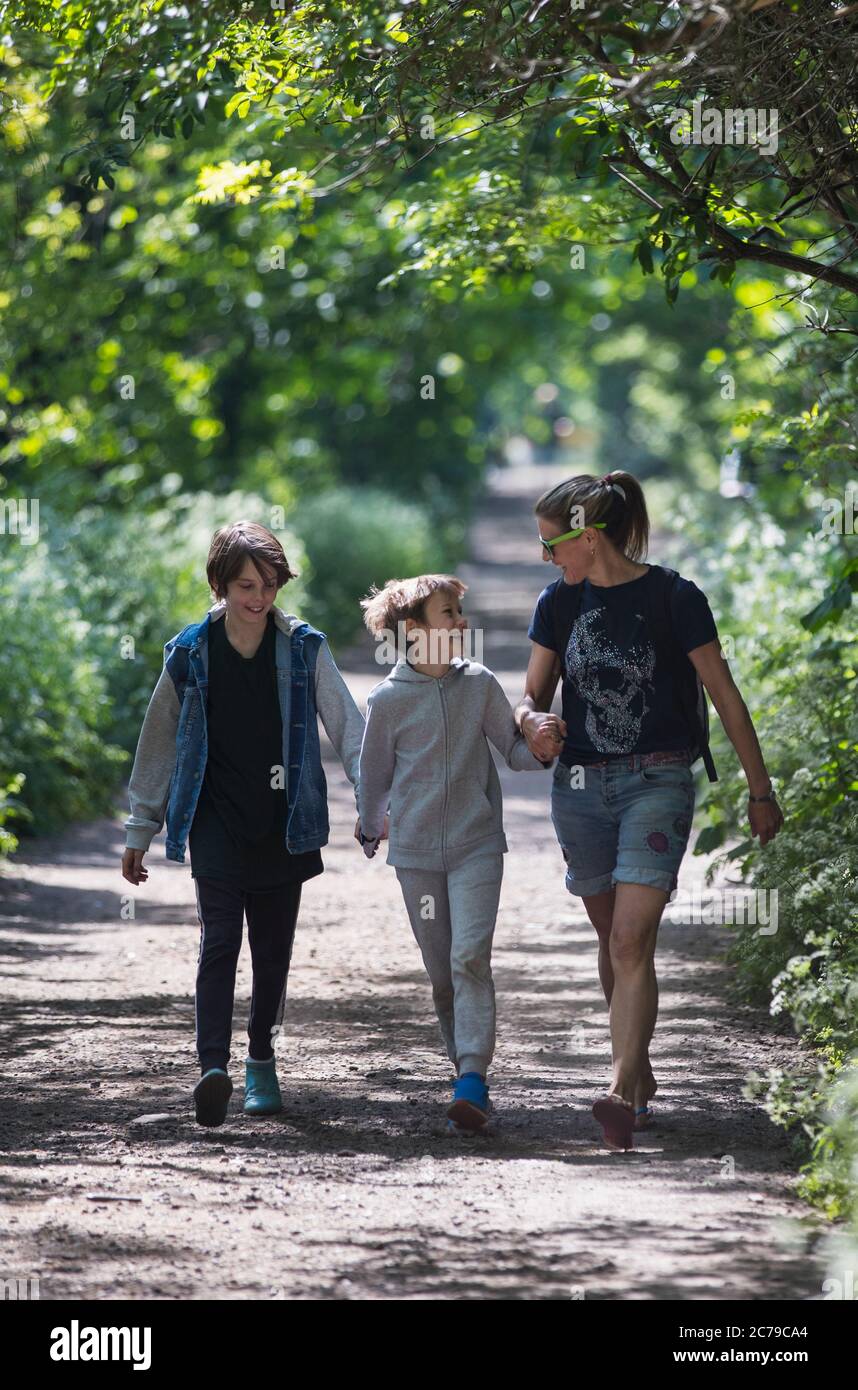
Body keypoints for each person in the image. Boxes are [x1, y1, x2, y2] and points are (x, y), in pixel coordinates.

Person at [514, 472, 784, 1150]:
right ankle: (637, 1071)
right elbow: (531, 697)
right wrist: (531, 723)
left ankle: (619, 1090)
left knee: (632, 939)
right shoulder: (557, 604)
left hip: (657, 780)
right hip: (580, 790)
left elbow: (723, 694)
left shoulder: (674, 597)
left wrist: (760, 791)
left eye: (553, 545)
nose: (547, 558)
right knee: (614, 941)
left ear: (590, 537)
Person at [121, 520, 365, 1127]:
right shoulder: (189, 655)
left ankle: (261, 1061)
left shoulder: (305, 648)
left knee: (273, 950)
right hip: (216, 819)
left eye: (269, 585)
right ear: (219, 586)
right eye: (245, 586)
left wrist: (373, 801)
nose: (258, 598)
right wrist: (140, 826)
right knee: (220, 940)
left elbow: (348, 726)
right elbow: (158, 744)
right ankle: (213, 1068)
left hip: (285, 821)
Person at [356, 574, 551, 1133]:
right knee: (442, 972)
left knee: (470, 957)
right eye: (450, 613)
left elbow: (512, 752)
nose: (462, 623)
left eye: (460, 612)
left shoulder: (479, 685)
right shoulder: (387, 700)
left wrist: (540, 748)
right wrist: (372, 826)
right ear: (414, 631)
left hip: (477, 846)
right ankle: (462, 1064)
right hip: (415, 856)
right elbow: (373, 776)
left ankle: (472, 1076)